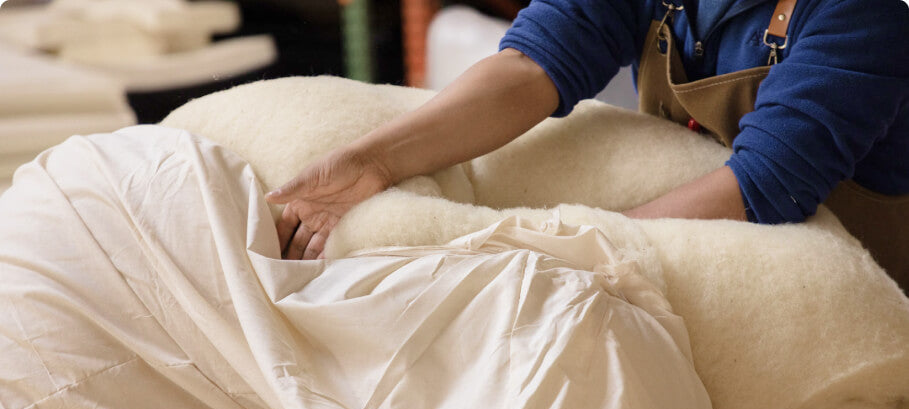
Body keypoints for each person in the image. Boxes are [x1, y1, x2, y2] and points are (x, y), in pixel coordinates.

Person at [265, 0, 909, 291]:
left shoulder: (865, 12)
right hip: (698, 253)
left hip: (853, 290)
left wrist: (553, 245)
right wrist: (371, 161)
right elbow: (530, 69)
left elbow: (765, 188)